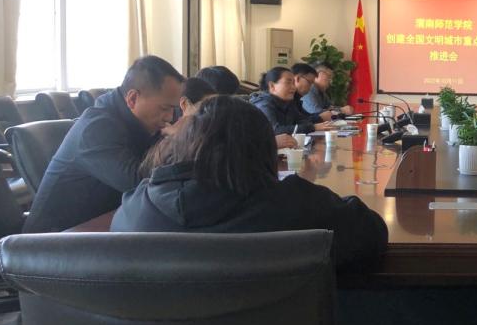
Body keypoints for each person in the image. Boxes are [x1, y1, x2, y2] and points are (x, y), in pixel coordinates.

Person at [112, 95, 387, 271]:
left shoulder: (136, 208)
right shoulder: (295, 205)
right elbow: (371, 234)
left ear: (183, 144)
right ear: (264, 148)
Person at [24, 55, 184, 233]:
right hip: (53, 240)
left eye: (174, 109)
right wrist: (177, 141)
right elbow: (141, 184)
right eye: (165, 108)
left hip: (100, 225)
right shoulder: (96, 128)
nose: (170, 117)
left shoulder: (139, 122)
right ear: (132, 99)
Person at [250, 66, 332, 135]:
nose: (293, 87)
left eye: (293, 83)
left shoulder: (288, 103)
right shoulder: (264, 104)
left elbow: (302, 120)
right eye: (288, 82)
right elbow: (275, 130)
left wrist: (319, 123)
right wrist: (312, 127)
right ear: (272, 86)